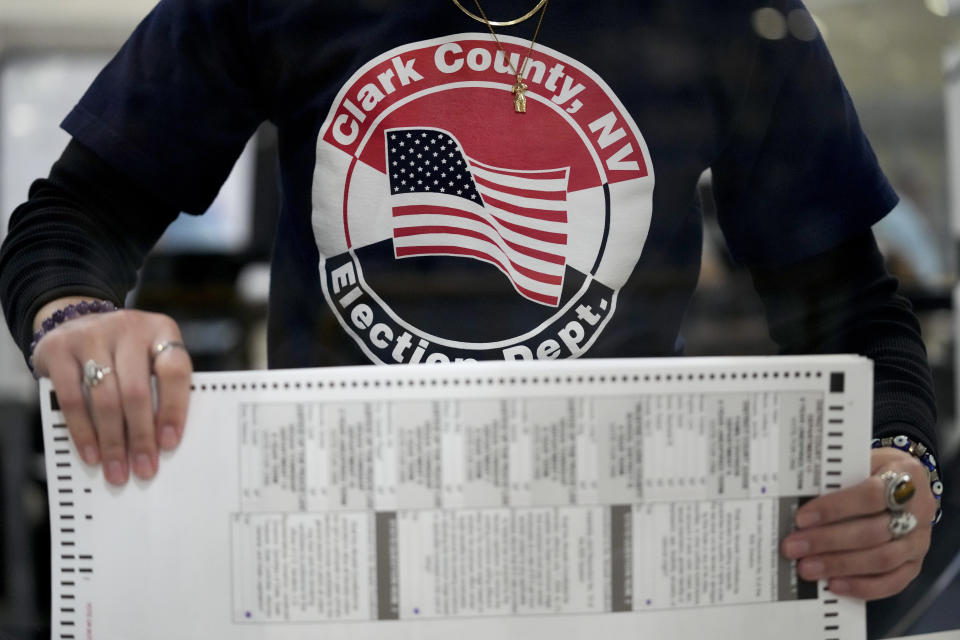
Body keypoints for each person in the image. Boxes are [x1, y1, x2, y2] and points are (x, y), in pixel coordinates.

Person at [0, 0, 941, 602]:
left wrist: (901, 472)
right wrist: (77, 319)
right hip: (331, 563)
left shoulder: (727, 12)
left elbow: (853, 310)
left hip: (622, 571)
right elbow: (73, 216)